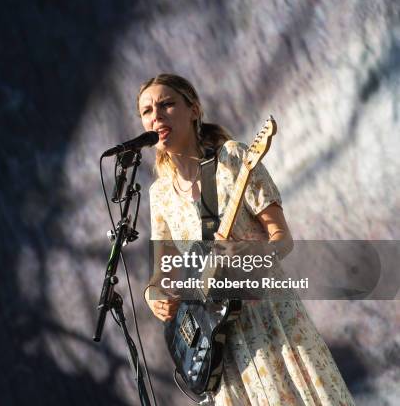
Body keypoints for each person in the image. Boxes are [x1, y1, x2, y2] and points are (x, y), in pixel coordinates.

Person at [140, 74, 355, 405]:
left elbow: (282, 240)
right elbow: (163, 272)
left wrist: (254, 253)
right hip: (219, 344)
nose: (156, 115)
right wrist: (155, 295)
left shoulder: (233, 158)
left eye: (167, 104)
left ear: (194, 109)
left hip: (273, 321)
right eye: (147, 111)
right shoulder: (159, 195)